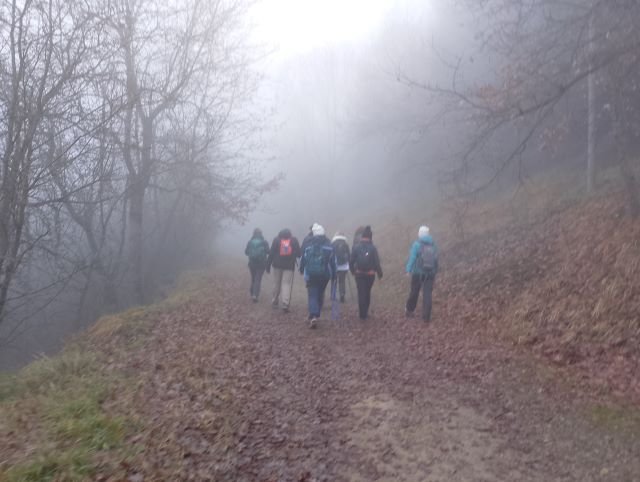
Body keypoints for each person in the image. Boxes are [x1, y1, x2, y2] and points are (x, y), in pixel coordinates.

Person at [299, 224, 336, 328]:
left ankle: (313, 315)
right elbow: (333, 261)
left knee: (312, 295)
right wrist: (334, 274)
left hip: (311, 274)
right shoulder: (329, 246)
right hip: (325, 275)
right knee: (320, 293)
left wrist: (301, 269)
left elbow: (303, 259)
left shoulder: (309, 245)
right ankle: (316, 313)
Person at [405, 225, 439, 322]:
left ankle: (409, 310)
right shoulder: (433, 245)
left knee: (414, 292)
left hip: (417, 273)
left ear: (419, 234)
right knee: (427, 294)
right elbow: (436, 259)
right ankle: (426, 316)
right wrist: (435, 271)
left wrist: (408, 270)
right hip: (430, 273)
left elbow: (412, 258)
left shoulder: (416, 244)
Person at [350, 226, 383, 320]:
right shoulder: (373, 248)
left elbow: (351, 261)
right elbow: (377, 262)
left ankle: (362, 314)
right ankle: (365, 311)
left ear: (362, 237)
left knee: (361, 293)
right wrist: (380, 274)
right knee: (367, 292)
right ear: (370, 237)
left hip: (359, 274)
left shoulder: (356, 247)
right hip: (370, 275)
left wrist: (353, 271)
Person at [266, 228, 301, 312]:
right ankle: (285, 303)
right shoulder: (294, 240)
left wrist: (268, 265)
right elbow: (299, 254)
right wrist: (293, 255)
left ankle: (275, 301)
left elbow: (271, 253)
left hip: (277, 265)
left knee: (276, 283)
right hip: (289, 266)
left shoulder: (276, 240)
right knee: (286, 284)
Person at [244, 228, 269, 302]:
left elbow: (246, 252)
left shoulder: (250, 242)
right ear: (261, 234)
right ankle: (255, 295)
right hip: (261, 263)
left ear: (253, 234)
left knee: (253, 278)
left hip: (252, 263)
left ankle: (252, 293)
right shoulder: (264, 242)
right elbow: (268, 251)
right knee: (258, 279)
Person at [331, 232, 351, 303]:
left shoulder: (333, 244)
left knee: (334, 280)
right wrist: (349, 263)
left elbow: (331, 254)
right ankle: (342, 294)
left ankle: (333, 295)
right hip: (344, 266)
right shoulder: (345, 244)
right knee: (342, 281)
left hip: (335, 265)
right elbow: (349, 255)